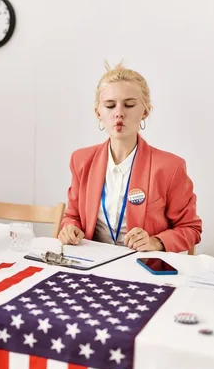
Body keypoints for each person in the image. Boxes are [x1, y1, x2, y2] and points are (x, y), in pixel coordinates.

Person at [58, 61, 202, 253]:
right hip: (91, 264)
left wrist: (156, 242)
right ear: (98, 112)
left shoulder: (170, 167)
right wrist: (69, 229)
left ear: (145, 111)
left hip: (141, 268)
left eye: (129, 105)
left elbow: (191, 229)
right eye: (110, 105)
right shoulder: (81, 160)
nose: (119, 113)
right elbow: (73, 216)